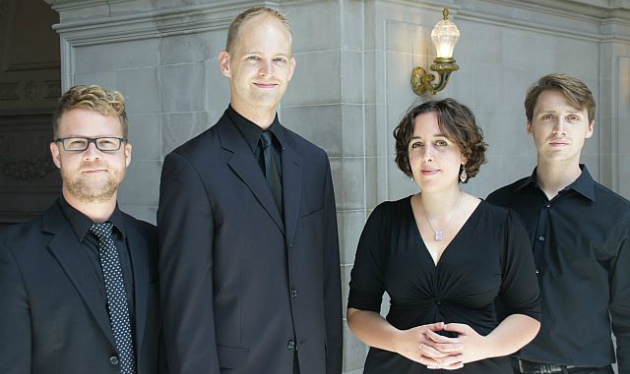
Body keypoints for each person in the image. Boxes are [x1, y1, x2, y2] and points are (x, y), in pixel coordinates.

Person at [157, 6, 342, 374]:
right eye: (254, 57)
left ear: (291, 68)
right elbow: (185, 309)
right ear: (226, 63)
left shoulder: (314, 161)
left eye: (277, 60)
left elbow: (326, 285)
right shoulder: (190, 167)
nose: (266, 71)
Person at [347, 98, 541, 373]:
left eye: (441, 143)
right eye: (417, 144)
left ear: (465, 153)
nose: (427, 155)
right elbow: (358, 312)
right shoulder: (385, 220)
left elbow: (528, 314)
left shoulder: (503, 225)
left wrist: (483, 347)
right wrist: (399, 341)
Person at [0, 85, 163, 374]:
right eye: (76, 143)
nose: (92, 154)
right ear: (56, 154)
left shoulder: (154, 244)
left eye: (106, 142)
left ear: (126, 154)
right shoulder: (12, 255)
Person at [487, 74, 630, 374]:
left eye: (573, 118)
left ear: (589, 127)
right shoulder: (498, 205)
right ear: (530, 125)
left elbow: (628, 317)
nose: (559, 129)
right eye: (548, 117)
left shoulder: (618, 215)